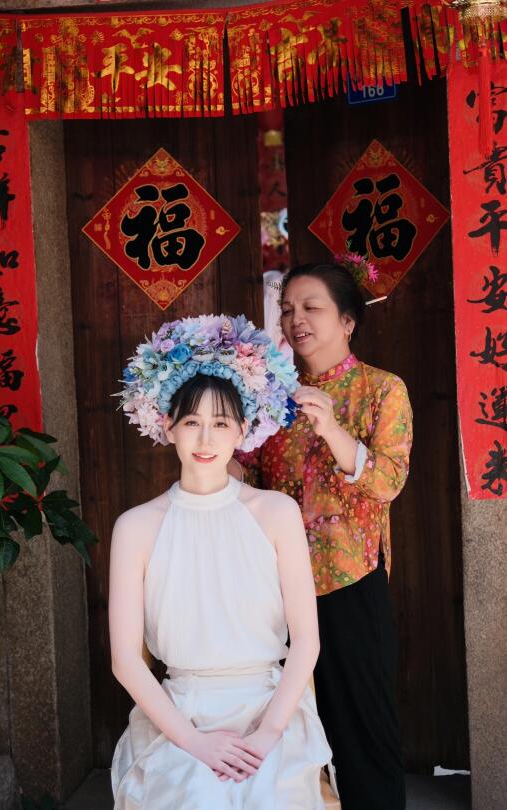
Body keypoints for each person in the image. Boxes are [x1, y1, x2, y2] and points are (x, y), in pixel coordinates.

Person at [109, 314, 332, 809]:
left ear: (243, 430)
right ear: (167, 426)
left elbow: (307, 641)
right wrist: (195, 742)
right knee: (196, 796)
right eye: (191, 422)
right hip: (180, 713)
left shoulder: (276, 513)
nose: (206, 440)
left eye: (221, 423)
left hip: (268, 707)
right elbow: (125, 661)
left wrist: (267, 733)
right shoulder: (136, 527)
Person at [233, 261, 413, 810]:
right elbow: (246, 478)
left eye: (312, 307)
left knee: (362, 729)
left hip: (349, 583)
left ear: (347, 321)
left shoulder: (382, 389)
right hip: (275, 588)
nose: (296, 320)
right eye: (288, 309)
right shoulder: (270, 396)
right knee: (287, 730)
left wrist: (332, 428)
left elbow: (387, 482)